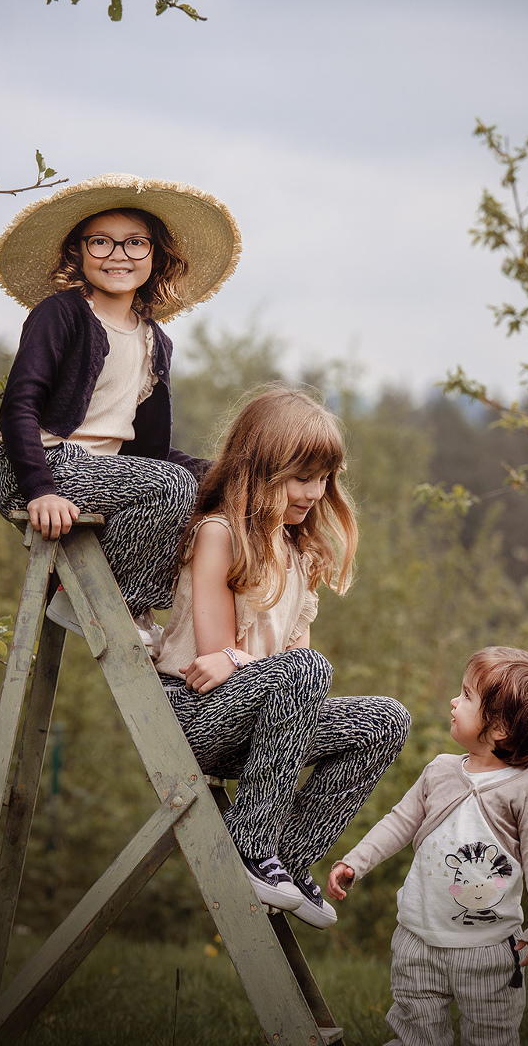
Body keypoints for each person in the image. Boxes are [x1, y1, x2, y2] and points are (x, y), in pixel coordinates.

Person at [154, 387, 411, 929]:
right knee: (308, 669)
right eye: (302, 478)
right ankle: (250, 844)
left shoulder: (300, 553)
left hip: (265, 724)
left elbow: (286, 665)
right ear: (261, 471)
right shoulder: (218, 535)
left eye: (325, 480)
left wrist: (251, 664)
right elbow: (211, 659)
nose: (315, 493)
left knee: (386, 720)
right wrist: (250, 663)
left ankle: (288, 861)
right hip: (199, 714)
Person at [0, 174, 241, 644]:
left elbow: (147, 451)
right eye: (101, 242)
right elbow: (18, 407)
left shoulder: (154, 341)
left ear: (156, 256)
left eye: (134, 244)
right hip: (42, 467)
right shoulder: (61, 315)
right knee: (171, 486)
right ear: (78, 252)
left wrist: (224, 475)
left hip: (109, 473)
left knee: (215, 489)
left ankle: (161, 616)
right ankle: (113, 604)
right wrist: (39, 489)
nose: (118, 256)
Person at [327, 641, 528, 1046]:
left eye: (465, 696)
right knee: (416, 1035)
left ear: (498, 728)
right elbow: (399, 822)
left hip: (489, 950)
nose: (453, 701)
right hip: (417, 939)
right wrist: (356, 861)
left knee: (491, 1038)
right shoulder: (440, 770)